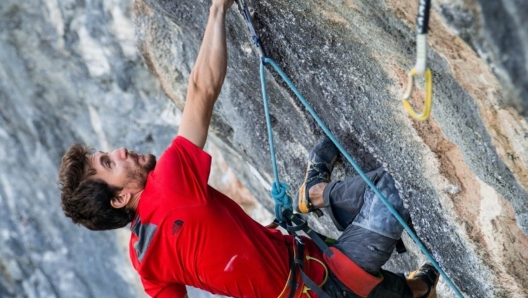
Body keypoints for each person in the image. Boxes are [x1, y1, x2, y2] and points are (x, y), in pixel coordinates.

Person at [57, 0, 440, 297]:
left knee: (390, 289)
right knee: (392, 190)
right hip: (326, 276)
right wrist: (217, 9)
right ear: (121, 197)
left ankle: (414, 283)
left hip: (313, 273)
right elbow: (201, 90)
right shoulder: (168, 185)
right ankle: (318, 194)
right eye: (109, 161)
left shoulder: (142, 259)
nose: (121, 150)